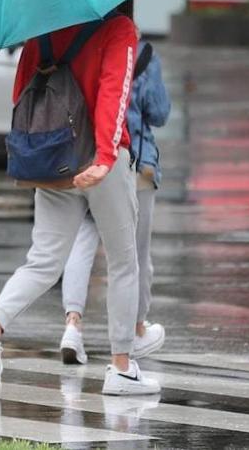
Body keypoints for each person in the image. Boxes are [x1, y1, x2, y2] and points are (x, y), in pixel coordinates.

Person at [0, 8, 161, 398]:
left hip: (53, 157)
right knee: (124, 262)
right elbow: (114, 93)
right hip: (100, 161)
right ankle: (122, 368)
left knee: (43, 261)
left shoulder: (43, 29)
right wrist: (105, 157)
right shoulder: (118, 29)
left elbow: (22, 92)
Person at [59, 19, 170, 366]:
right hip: (133, 163)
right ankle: (134, 331)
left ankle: (72, 326)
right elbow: (160, 112)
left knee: (82, 242)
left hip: (84, 158)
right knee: (134, 256)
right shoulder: (143, 54)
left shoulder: (80, 43)